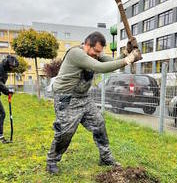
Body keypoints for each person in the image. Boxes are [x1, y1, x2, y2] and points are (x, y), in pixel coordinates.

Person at [46, 31, 142, 174]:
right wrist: (128, 59)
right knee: (65, 132)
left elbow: (109, 61)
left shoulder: (94, 54)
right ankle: (51, 161)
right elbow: (100, 67)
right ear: (87, 45)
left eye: (99, 52)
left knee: (99, 124)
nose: (97, 54)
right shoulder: (76, 54)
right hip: (67, 98)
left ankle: (105, 158)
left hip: (84, 97)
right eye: (96, 51)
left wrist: (126, 52)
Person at [0, 55, 19, 143]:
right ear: (7, 63)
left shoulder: (4, 71)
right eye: (11, 66)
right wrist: (7, 91)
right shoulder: (0, 68)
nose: (12, 68)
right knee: (2, 114)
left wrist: (7, 92)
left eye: (13, 67)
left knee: (2, 114)